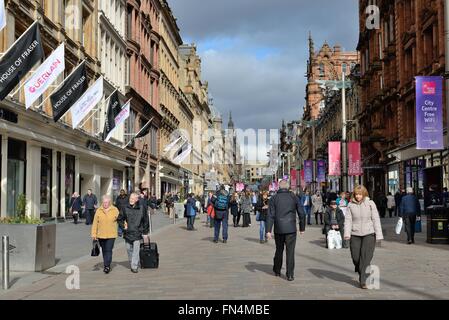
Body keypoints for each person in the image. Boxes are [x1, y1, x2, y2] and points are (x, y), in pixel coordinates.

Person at [344, 186, 383, 289]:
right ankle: (362, 270)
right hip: (355, 234)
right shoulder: (350, 205)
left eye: (360, 194)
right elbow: (348, 220)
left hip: (369, 234)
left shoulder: (371, 204)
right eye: (356, 194)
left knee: (365, 258)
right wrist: (347, 233)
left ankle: (363, 281)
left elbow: (376, 219)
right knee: (356, 258)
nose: (358, 196)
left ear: (364, 194)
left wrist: (379, 234)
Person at [266, 180, 305, 281]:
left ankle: (277, 270)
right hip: (291, 228)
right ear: (288, 187)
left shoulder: (274, 198)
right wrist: (302, 228)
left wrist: (268, 230)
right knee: (290, 252)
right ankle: (290, 274)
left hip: (279, 228)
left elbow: (270, 215)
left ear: (279, 187)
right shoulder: (294, 197)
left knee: (279, 250)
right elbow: (302, 213)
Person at [118, 193, 150, 273]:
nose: (131, 200)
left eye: (133, 198)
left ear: (137, 199)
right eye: (130, 198)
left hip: (138, 232)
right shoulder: (125, 207)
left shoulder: (142, 208)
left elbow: (146, 220)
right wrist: (123, 227)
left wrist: (145, 232)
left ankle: (134, 266)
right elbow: (120, 219)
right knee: (129, 249)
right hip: (128, 232)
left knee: (136, 249)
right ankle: (133, 261)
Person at [91, 195, 120, 274]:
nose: (105, 204)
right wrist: (94, 234)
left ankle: (107, 265)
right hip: (101, 234)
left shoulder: (115, 210)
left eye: (106, 202)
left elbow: (120, 219)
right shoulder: (99, 210)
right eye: (104, 202)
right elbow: (95, 223)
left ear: (109, 202)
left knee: (108, 249)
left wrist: (124, 226)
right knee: (104, 250)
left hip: (111, 234)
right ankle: (106, 264)